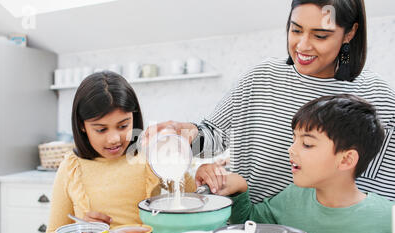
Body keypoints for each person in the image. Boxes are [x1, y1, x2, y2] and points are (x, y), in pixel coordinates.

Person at [146, 0, 395, 204]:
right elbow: (215, 135)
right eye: (296, 30)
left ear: (350, 33)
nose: (303, 45)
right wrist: (189, 135)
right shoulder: (260, 77)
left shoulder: (377, 96)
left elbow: (384, 187)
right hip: (253, 228)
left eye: (320, 35)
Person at [196, 94, 393, 233]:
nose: (291, 149)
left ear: (346, 160)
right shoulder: (291, 198)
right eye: (294, 140)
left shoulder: (388, 217)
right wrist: (239, 189)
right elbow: (248, 227)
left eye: (307, 144)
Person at [45, 71, 195, 233]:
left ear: (134, 117)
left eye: (123, 126)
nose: (114, 139)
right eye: (101, 129)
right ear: (81, 126)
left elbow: (192, 199)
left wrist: (174, 155)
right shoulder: (72, 167)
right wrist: (80, 232)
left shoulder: (148, 156)